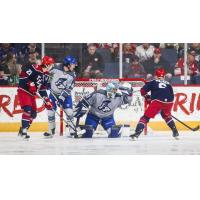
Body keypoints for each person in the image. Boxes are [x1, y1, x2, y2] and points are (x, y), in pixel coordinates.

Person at [130, 68, 179, 140]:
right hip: (169, 102)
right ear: (164, 76)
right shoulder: (168, 84)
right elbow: (171, 95)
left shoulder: (153, 82)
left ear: (155, 76)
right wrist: (164, 104)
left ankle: (137, 133)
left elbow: (142, 91)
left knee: (145, 117)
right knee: (166, 116)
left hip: (158, 101)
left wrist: (147, 97)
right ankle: (175, 132)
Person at [43, 55, 81, 138]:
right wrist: (47, 82)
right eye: (73, 64)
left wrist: (61, 98)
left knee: (69, 112)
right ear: (67, 64)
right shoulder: (55, 67)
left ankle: (71, 130)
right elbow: (45, 73)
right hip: (53, 94)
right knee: (50, 112)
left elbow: (69, 88)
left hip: (66, 96)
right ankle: (51, 130)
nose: (74, 66)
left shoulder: (73, 75)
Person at [17, 56, 55, 139]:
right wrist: (30, 83)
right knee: (27, 109)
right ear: (47, 64)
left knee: (33, 114)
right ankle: (24, 131)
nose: (52, 66)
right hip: (23, 91)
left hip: (31, 94)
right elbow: (22, 75)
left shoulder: (46, 75)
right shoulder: (35, 68)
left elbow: (42, 89)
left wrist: (46, 100)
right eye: (51, 65)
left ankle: (22, 130)